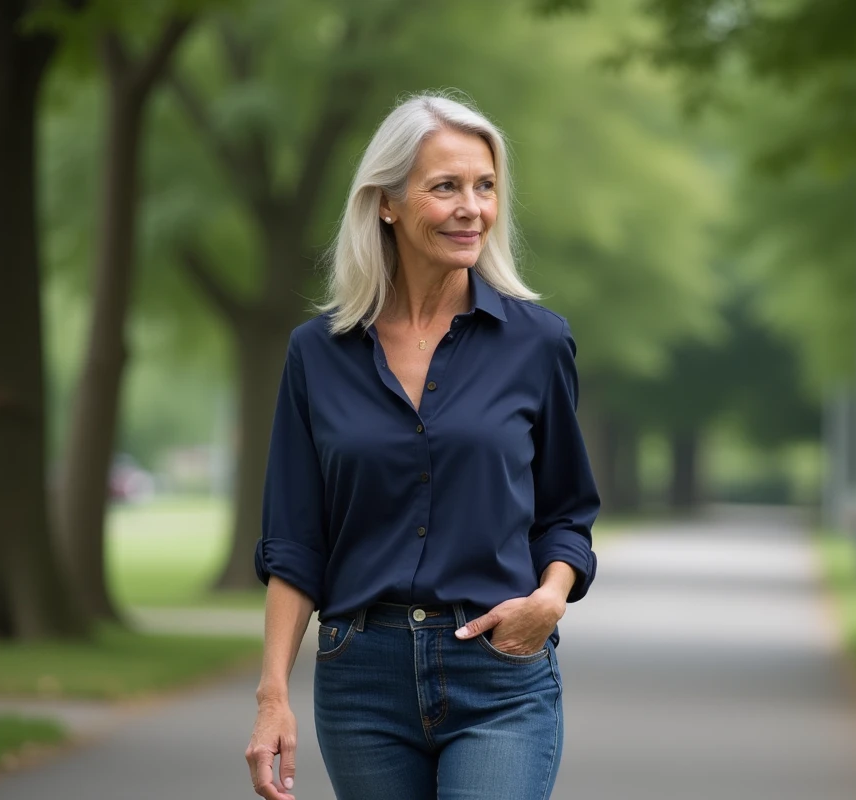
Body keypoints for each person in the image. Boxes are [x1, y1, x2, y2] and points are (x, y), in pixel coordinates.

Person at [243, 91, 600, 800]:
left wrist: (550, 600)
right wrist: (272, 695)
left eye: (485, 186)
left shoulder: (538, 343)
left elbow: (566, 511)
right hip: (360, 679)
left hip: (499, 670)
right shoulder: (317, 354)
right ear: (386, 204)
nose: (472, 207)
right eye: (446, 187)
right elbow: (294, 540)